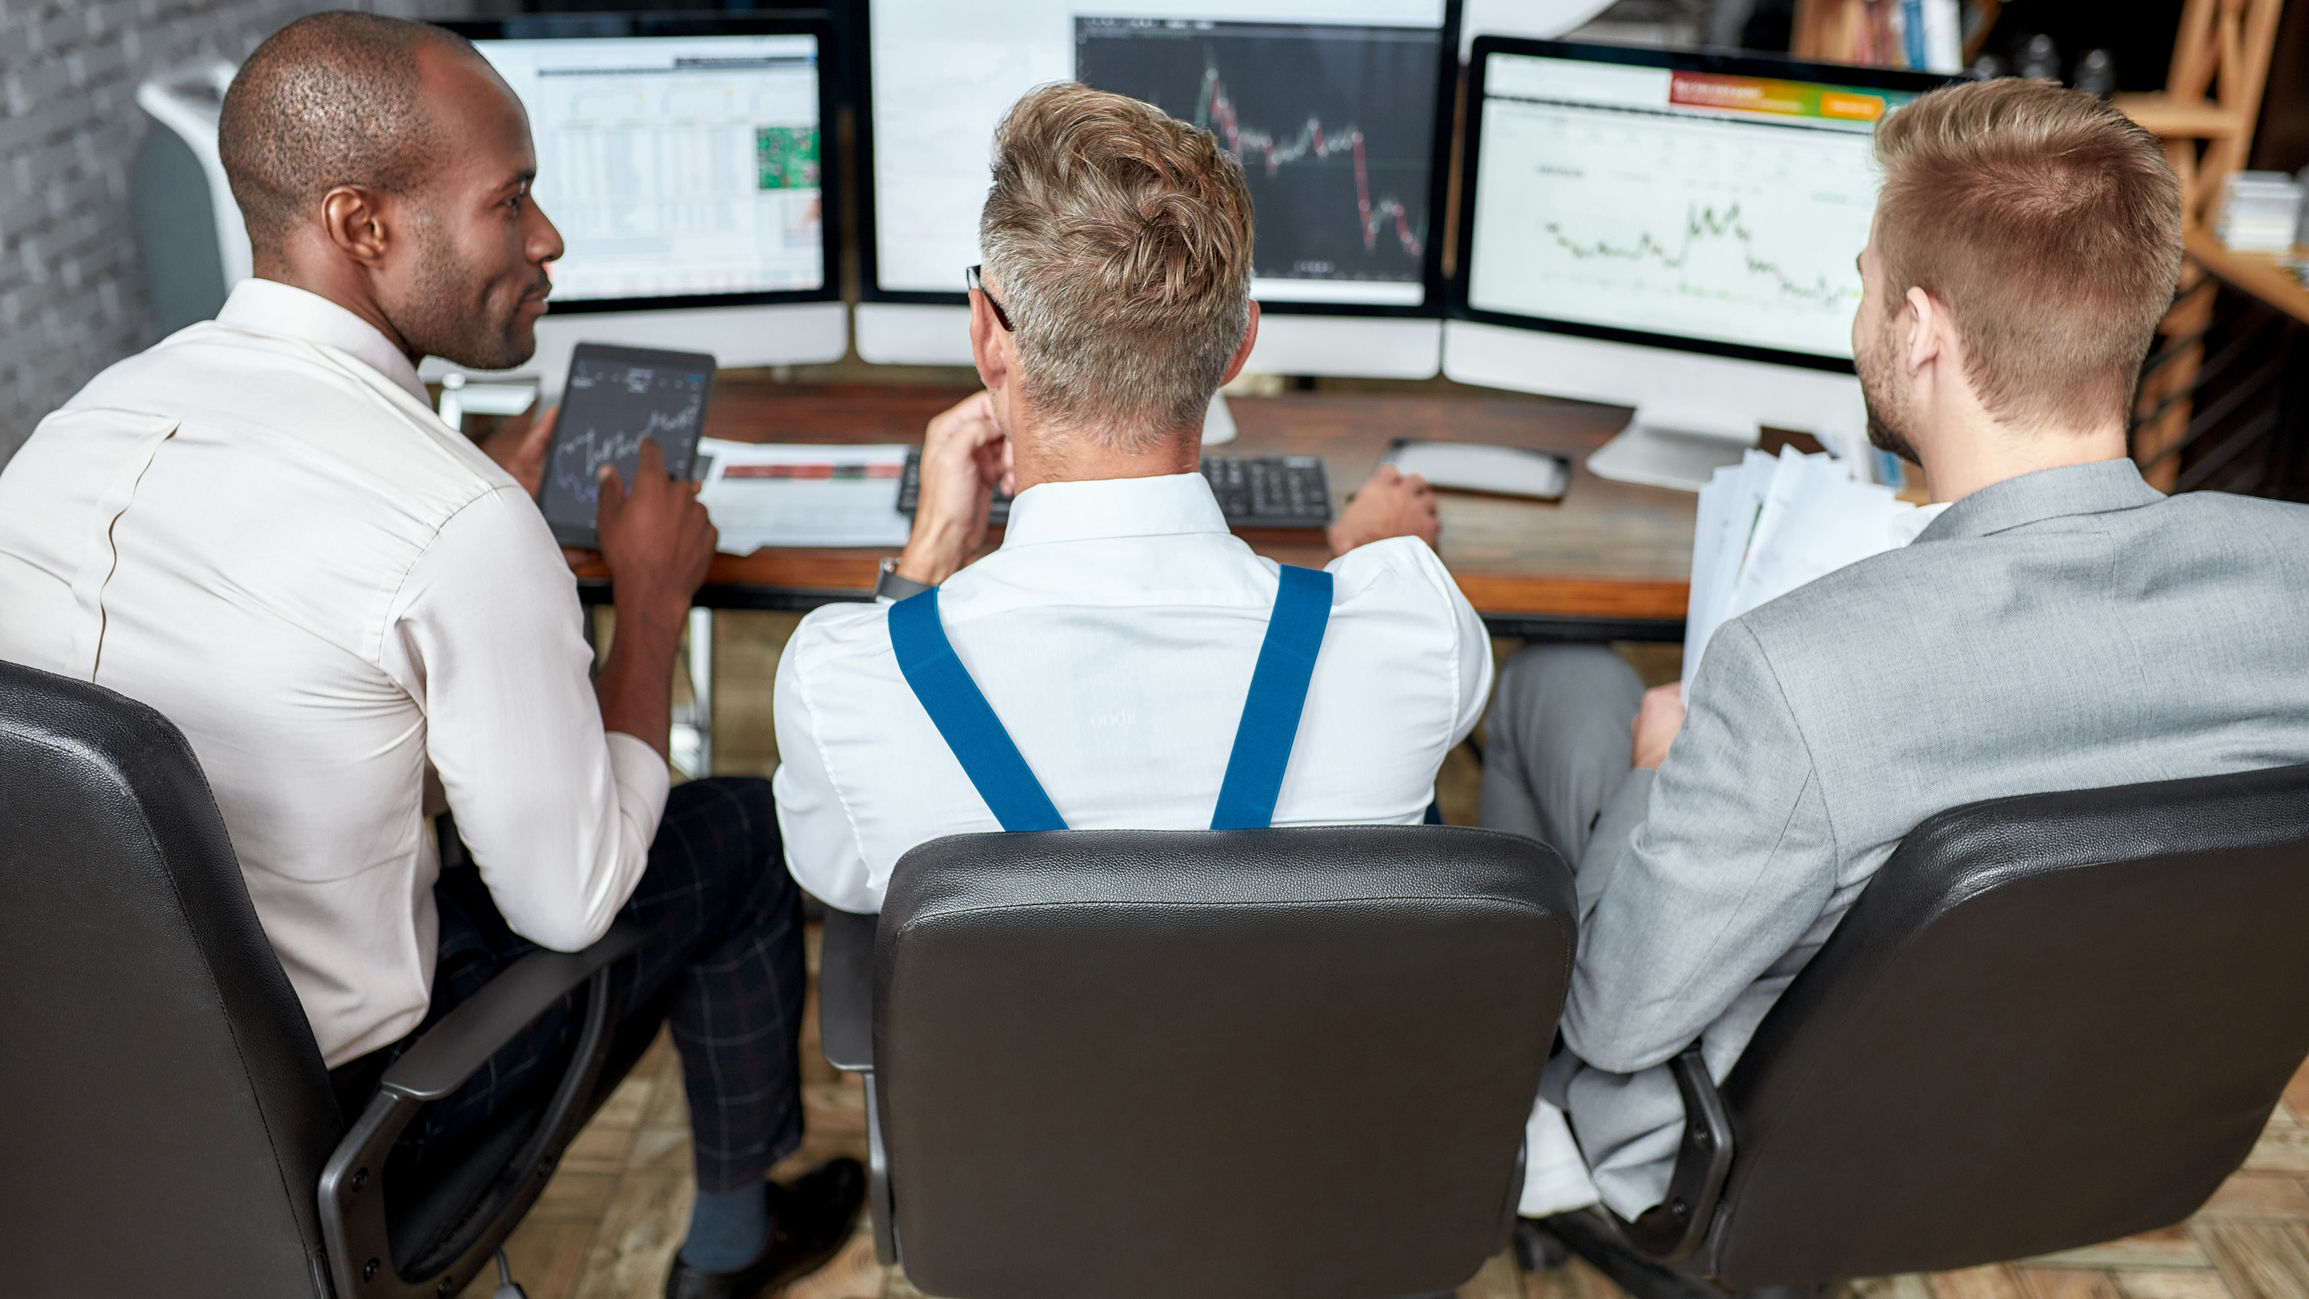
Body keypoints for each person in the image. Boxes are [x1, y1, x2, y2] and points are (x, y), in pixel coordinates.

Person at [0, 14, 859, 1298]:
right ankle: (731, 1251)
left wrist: (474, 516)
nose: (547, 239)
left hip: (66, 1100)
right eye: (509, 201)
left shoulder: (73, 431)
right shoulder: (454, 529)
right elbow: (569, 903)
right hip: (334, 1131)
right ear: (362, 225)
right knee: (731, 837)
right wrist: (651, 599)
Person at [1483, 77, 2309, 1242]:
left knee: (1558, 690)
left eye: (1864, 283)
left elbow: (1617, 1023)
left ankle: (1532, 1135)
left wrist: (1663, 772)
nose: (1859, 310)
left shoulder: (1795, 671)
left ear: (1918, 331)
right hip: (2112, 1136)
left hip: (1748, 1161)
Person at [772, 83, 1488, 912]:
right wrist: (1370, 553)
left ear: (985, 336)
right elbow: (1381, 636)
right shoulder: (1416, 629)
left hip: (1013, 1047)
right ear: (1237, 347)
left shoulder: (843, 680)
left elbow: (844, 883)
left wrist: (926, 562)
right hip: (1292, 1046)